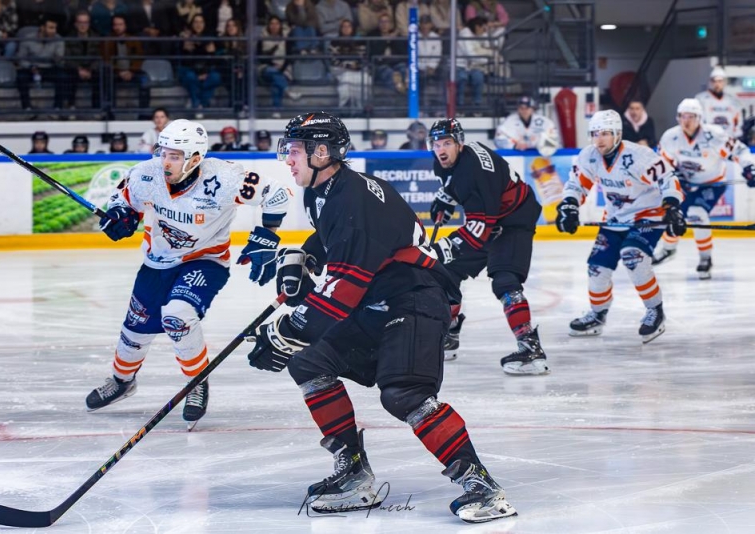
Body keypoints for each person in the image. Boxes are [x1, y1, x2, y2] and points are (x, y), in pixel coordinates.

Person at [245, 111, 517, 523]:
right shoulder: (325, 189)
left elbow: (342, 292)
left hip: (415, 298)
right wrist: (306, 255)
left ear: (322, 152)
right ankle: (353, 473)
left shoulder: (351, 197)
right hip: (377, 301)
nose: (288, 159)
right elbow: (332, 240)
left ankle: (481, 485)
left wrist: (288, 330)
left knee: (403, 393)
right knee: (308, 360)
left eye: (295, 150)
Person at [85, 119, 291, 430]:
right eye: (164, 152)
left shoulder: (224, 177)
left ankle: (197, 383)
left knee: (177, 315)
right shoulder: (145, 174)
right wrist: (120, 216)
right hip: (157, 263)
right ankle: (122, 381)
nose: (165, 161)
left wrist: (267, 235)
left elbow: (278, 194)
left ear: (195, 158)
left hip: (205, 261)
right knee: (134, 331)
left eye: (175, 156)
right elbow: (124, 202)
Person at [427, 118, 549, 373]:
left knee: (505, 281)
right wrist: (445, 199)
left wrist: (442, 247)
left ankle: (530, 348)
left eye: (447, 143)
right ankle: (448, 334)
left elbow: (479, 229)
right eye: (436, 143)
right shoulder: (448, 162)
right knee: (444, 273)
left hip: (514, 221)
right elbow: (453, 185)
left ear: (459, 144)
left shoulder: (476, 172)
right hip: (491, 218)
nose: (440, 149)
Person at [555, 110, 685, 343]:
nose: (599, 139)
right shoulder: (589, 156)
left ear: (617, 134)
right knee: (597, 268)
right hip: (615, 219)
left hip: (648, 216)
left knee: (633, 256)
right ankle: (597, 314)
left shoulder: (639, 156)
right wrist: (569, 206)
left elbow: (668, 179)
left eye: (605, 133)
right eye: (595, 133)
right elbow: (576, 185)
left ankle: (655, 310)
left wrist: (673, 207)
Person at [652, 98, 755, 278]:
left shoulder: (714, 135)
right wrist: (672, 174)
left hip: (712, 183)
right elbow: (661, 163)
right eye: (683, 116)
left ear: (700, 118)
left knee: (697, 213)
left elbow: (739, 151)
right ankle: (669, 249)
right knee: (672, 213)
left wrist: (749, 168)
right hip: (685, 184)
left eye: (691, 116)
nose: (687, 121)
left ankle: (705, 258)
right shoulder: (671, 137)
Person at [16, 16, 67, 114]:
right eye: (50, 28)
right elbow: (21, 58)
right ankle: (27, 108)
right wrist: (30, 66)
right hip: (31, 67)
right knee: (21, 77)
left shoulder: (59, 39)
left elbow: (60, 59)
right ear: (42, 28)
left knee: (63, 77)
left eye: (55, 28)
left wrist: (57, 59)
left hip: (49, 67)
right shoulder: (28, 39)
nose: (53, 31)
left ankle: (58, 108)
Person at [177, 14, 222, 118]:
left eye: (201, 22)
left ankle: (196, 100)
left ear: (204, 24)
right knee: (190, 77)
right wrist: (185, 47)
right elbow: (184, 61)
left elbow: (212, 60)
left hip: (206, 71)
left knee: (216, 77)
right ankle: (198, 105)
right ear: (192, 24)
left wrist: (204, 72)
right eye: (196, 22)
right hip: (189, 70)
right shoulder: (186, 38)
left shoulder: (209, 37)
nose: (198, 25)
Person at [494, 96, 560, 156]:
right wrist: (514, 146)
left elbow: (554, 138)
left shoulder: (544, 122)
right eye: (521, 108)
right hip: (516, 157)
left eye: (527, 108)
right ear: (518, 109)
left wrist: (540, 144)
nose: (524, 111)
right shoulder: (509, 122)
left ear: (532, 109)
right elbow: (498, 140)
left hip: (539, 157)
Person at [695, 66, 744, 138]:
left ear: (724, 82)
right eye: (714, 81)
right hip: (708, 139)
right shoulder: (701, 99)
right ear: (710, 82)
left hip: (728, 139)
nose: (717, 84)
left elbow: (738, 122)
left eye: (720, 81)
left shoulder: (733, 101)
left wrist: (735, 135)